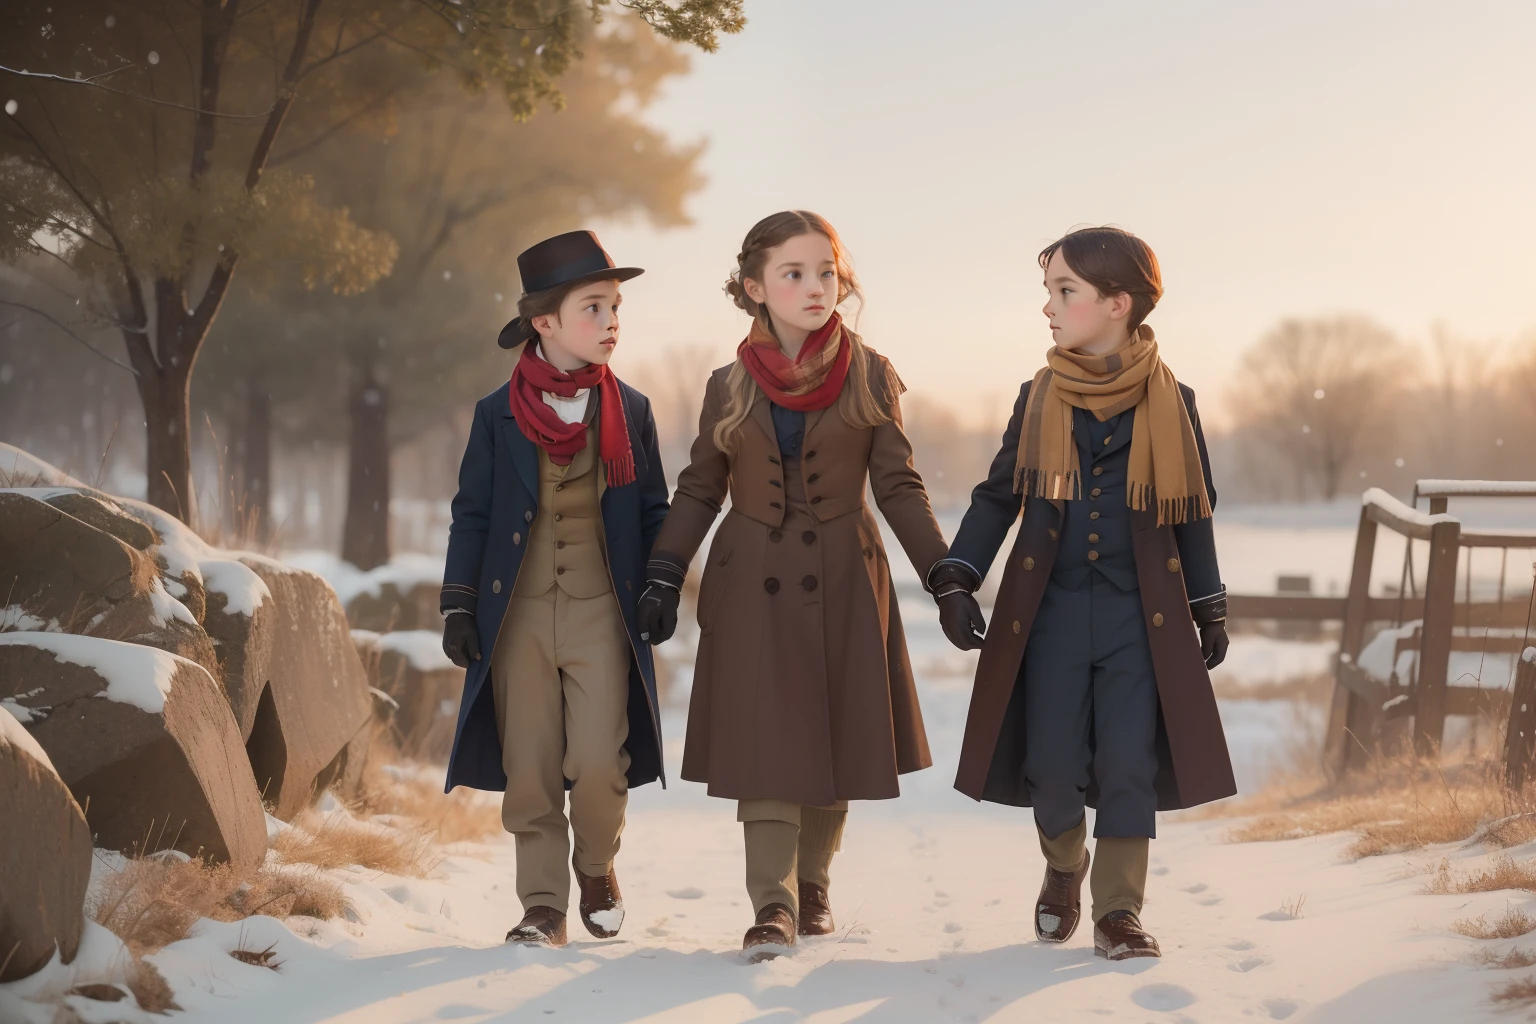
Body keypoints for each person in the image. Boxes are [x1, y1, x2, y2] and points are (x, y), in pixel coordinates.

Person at [637, 210, 948, 960]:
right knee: (767, 743)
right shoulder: (728, 385)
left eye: (827, 273)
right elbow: (698, 490)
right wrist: (663, 571)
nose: (816, 287)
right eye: (794, 273)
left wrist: (947, 577)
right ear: (754, 287)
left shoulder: (873, 374)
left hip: (846, 574)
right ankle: (771, 906)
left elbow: (899, 485)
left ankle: (813, 886)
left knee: (833, 737)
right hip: (752, 583)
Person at [931, 226, 1235, 960]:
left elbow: (1190, 508)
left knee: (1130, 763)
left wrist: (1208, 603)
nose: (1049, 307)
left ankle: (1119, 913)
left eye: (1065, 291)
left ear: (1117, 303)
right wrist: (958, 575)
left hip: (1142, 619)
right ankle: (1066, 864)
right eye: (1049, 292)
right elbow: (998, 497)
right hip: (1051, 616)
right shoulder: (1038, 398)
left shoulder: (1176, 401)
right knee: (1055, 770)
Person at [439, 230, 671, 948]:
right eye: (593, 308)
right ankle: (543, 905)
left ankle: (596, 866)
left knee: (601, 762)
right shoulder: (494, 414)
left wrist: (664, 582)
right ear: (545, 323)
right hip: (519, 617)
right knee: (530, 768)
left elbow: (656, 508)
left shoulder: (630, 409)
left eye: (615, 307)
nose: (610, 323)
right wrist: (458, 602)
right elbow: (472, 514)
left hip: (603, 613)